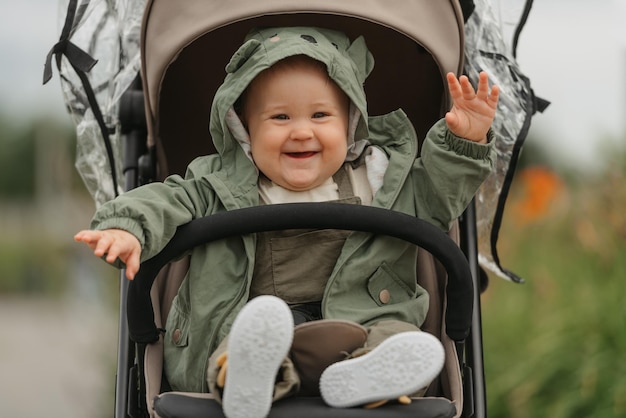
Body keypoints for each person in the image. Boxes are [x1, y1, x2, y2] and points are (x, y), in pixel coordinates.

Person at [75, 26, 498, 418]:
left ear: (350, 125)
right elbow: (164, 200)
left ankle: (371, 377)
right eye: (280, 118)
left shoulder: (380, 180)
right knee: (247, 335)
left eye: (320, 116)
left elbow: (436, 197)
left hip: (362, 324)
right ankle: (245, 377)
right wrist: (128, 226)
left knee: (398, 337)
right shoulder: (217, 185)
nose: (300, 132)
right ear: (244, 132)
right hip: (261, 326)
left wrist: (464, 141)